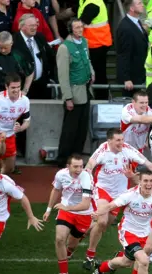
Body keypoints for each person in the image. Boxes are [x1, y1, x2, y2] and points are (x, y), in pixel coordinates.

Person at [82, 129, 152, 269]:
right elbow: (90, 165)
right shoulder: (102, 150)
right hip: (103, 190)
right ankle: (90, 256)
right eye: (118, 140)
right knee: (102, 221)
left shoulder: (128, 150)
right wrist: (87, 175)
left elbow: (149, 165)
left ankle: (82, 230)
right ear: (109, 141)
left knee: (106, 224)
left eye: (122, 139)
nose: (121, 143)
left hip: (120, 194)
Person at [43, 154, 93, 274]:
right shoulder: (61, 175)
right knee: (60, 239)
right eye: (75, 166)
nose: (78, 169)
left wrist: (67, 208)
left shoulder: (86, 177)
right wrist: (48, 210)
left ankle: (69, 252)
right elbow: (56, 190)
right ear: (68, 166)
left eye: (81, 166)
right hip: (66, 211)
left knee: (71, 244)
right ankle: (63, 273)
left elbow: (86, 204)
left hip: (83, 213)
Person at [56, 18, 94, 167]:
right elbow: (63, 75)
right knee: (70, 129)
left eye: (81, 27)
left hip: (85, 89)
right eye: (77, 27)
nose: (80, 30)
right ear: (71, 30)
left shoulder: (84, 42)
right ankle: (63, 159)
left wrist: (91, 72)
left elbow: (87, 60)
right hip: (74, 90)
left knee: (82, 128)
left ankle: (76, 158)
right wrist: (68, 97)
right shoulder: (65, 48)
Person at [0, 73, 31, 174]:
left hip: (10, 136)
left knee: (9, 169)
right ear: (6, 86)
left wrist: (20, 128)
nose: (16, 90)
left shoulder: (25, 101)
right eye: (13, 87)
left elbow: (27, 121)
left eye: (18, 87)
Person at [13, 14, 55, 100]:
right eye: (31, 26)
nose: (34, 28)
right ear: (22, 26)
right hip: (23, 87)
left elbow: (51, 57)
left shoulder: (40, 37)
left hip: (42, 85)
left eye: (35, 25)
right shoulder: (14, 41)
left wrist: (49, 75)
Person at [77, 0, 112, 100]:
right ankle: (100, 96)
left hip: (97, 43)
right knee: (97, 73)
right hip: (95, 43)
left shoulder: (93, 4)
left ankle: (101, 98)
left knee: (98, 74)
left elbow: (80, 24)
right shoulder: (85, 2)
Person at [116, 0, 148, 97]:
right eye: (139, 3)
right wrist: (126, 78)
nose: (143, 5)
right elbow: (123, 54)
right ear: (131, 8)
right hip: (131, 79)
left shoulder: (136, 22)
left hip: (139, 74)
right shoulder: (125, 27)